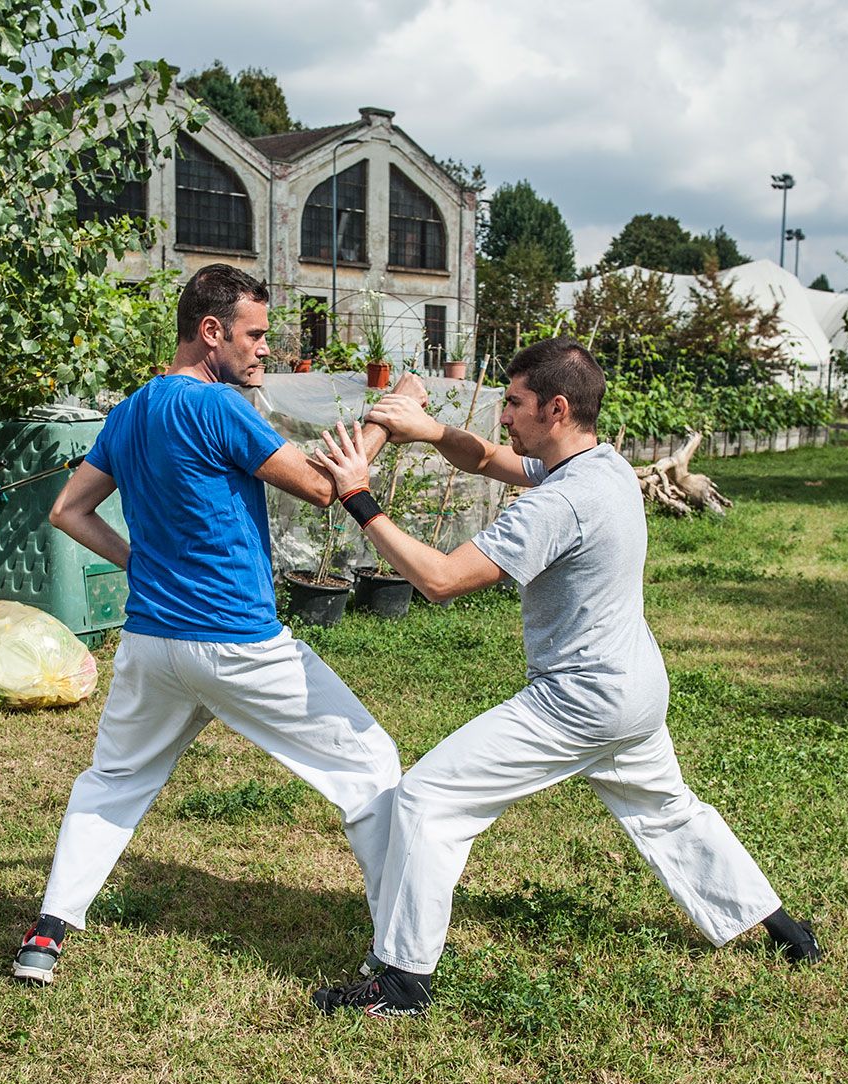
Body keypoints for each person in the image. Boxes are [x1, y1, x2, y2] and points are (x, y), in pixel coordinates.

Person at [308, 337, 820, 1017]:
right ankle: (784, 930)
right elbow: (488, 459)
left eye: (514, 404)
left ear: (554, 408)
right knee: (668, 812)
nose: (504, 417)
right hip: (634, 689)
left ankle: (403, 980)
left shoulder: (558, 505)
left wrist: (359, 497)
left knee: (427, 801)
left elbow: (439, 580)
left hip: (577, 703)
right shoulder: (602, 467)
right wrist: (429, 430)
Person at [11, 264, 400, 986]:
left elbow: (68, 511)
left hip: (153, 644)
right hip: (237, 642)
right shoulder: (219, 408)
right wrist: (389, 417)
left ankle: (47, 934)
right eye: (254, 336)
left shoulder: (128, 412)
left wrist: (143, 563)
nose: (264, 351)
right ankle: (398, 949)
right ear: (211, 331)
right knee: (371, 765)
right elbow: (324, 488)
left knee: (112, 781)